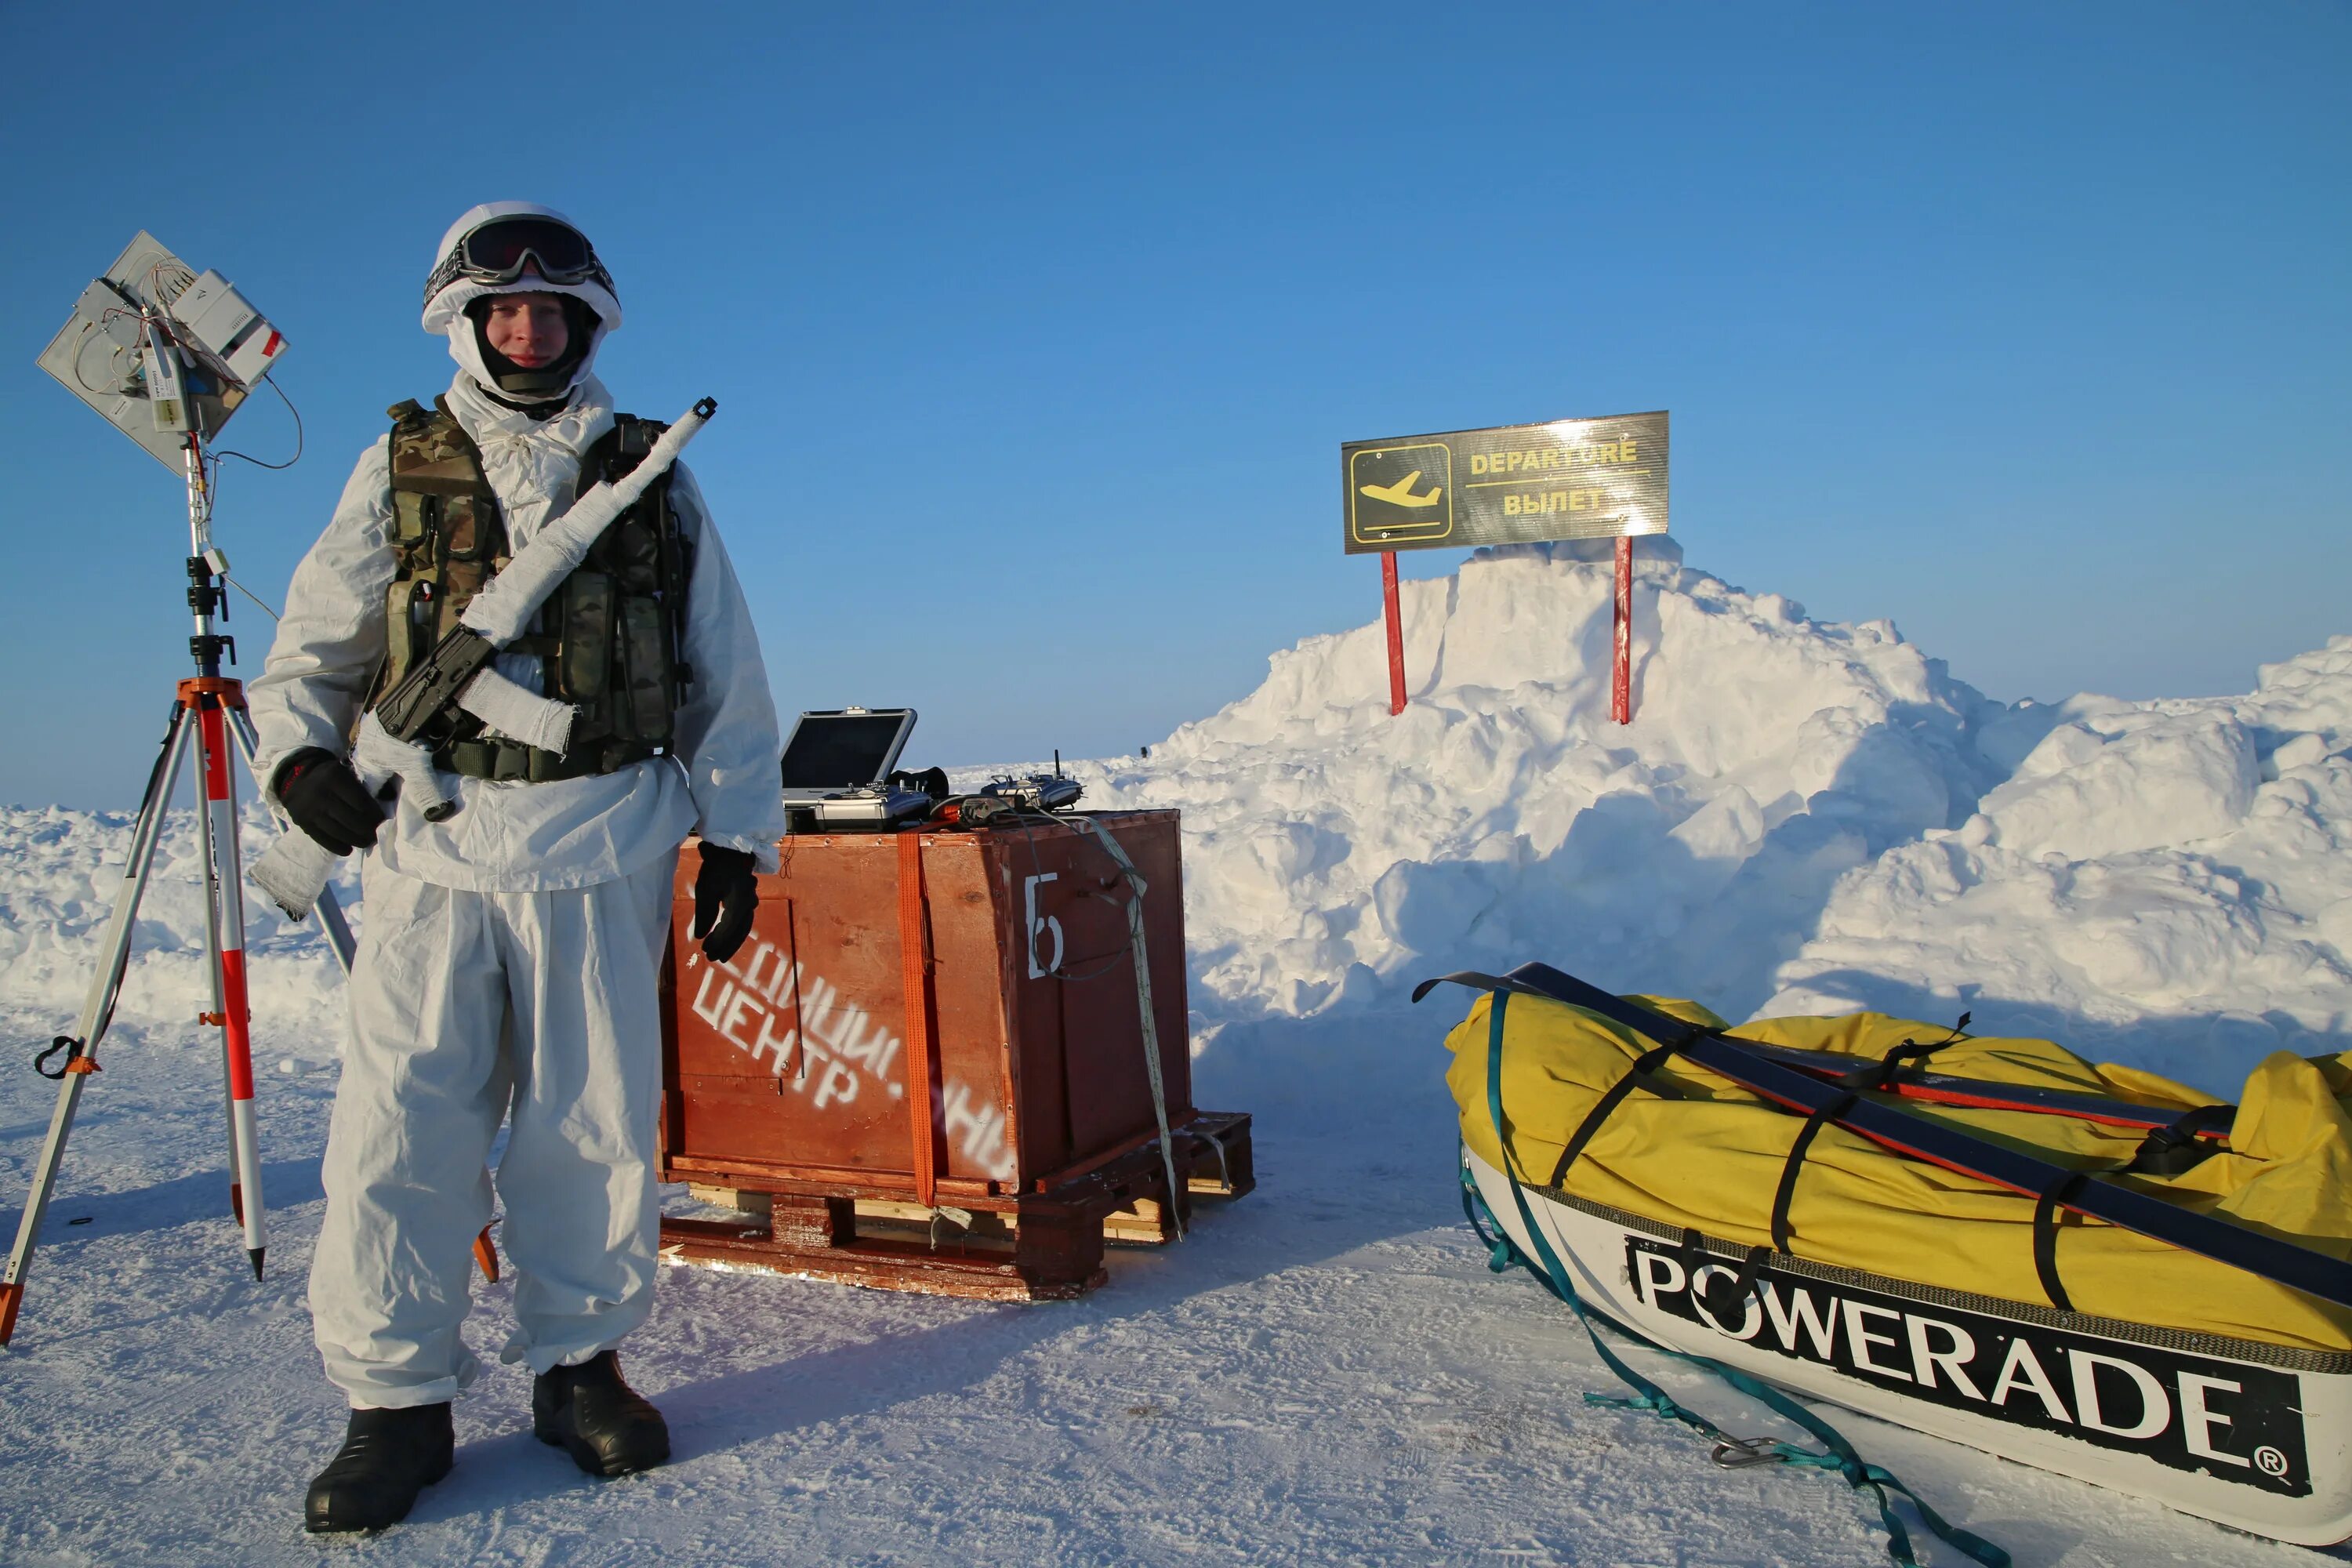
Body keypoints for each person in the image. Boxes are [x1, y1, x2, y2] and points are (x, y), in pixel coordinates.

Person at [248, 202, 785, 1533]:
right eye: (504, 309)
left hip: (603, 836)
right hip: (432, 845)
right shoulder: (397, 464)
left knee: (593, 1126)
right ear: (466, 319)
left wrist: (738, 832)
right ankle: (394, 1404)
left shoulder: (650, 471)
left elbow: (724, 666)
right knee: (397, 1129)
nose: (529, 330)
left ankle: (578, 1366)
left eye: (553, 310)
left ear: (588, 320)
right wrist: (299, 764)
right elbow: (313, 644)